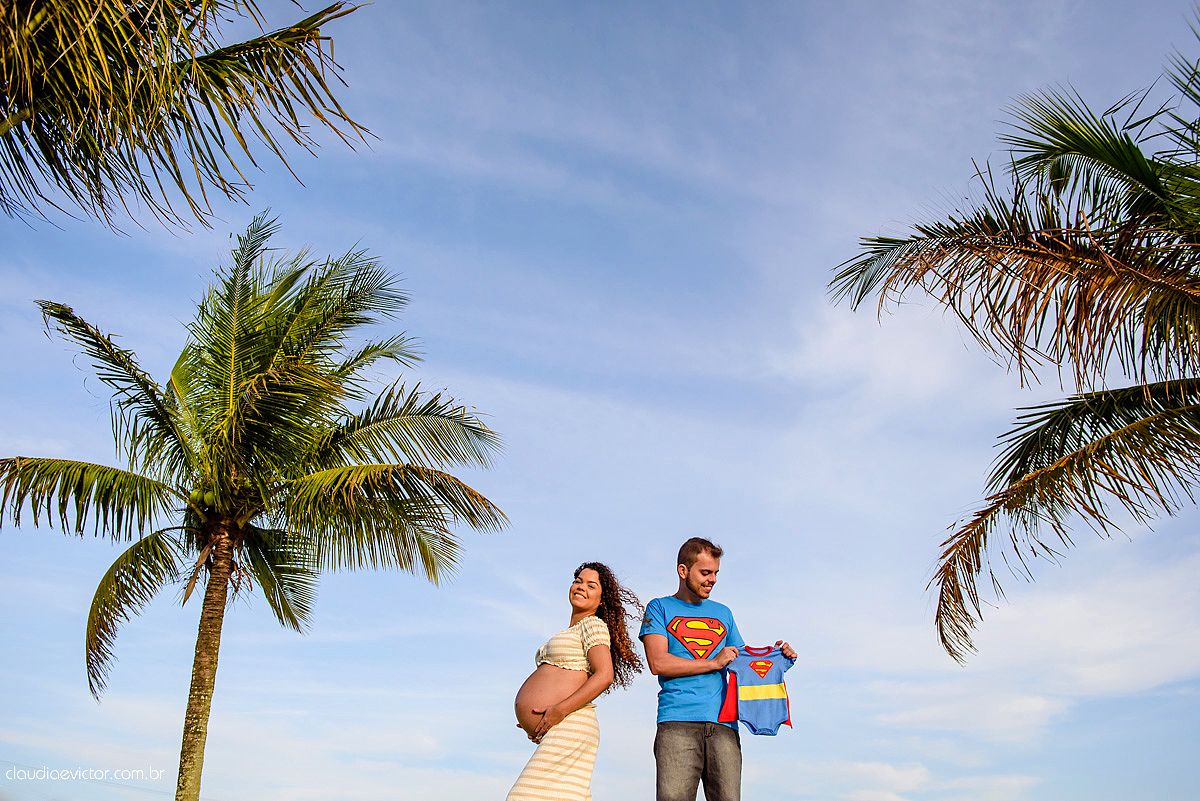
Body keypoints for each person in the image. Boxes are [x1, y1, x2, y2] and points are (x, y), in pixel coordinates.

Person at [639, 538, 795, 801]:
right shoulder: (659, 607)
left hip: (724, 726)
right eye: (705, 572)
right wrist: (713, 662)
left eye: (715, 573)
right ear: (683, 571)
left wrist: (779, 657)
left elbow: (743, 664)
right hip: (677, 723)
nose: (712, 579)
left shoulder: (724, 613)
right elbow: (658, 663)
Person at [508, 562, 644, 800]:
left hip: (571, 723)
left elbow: (605, 675)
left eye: (591, 585)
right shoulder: (573, 630)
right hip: (560, 727)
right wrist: (534, 720)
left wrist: (558, 711)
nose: (581, 587)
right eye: (578, 581)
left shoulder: (593, 625)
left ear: (601, 600)